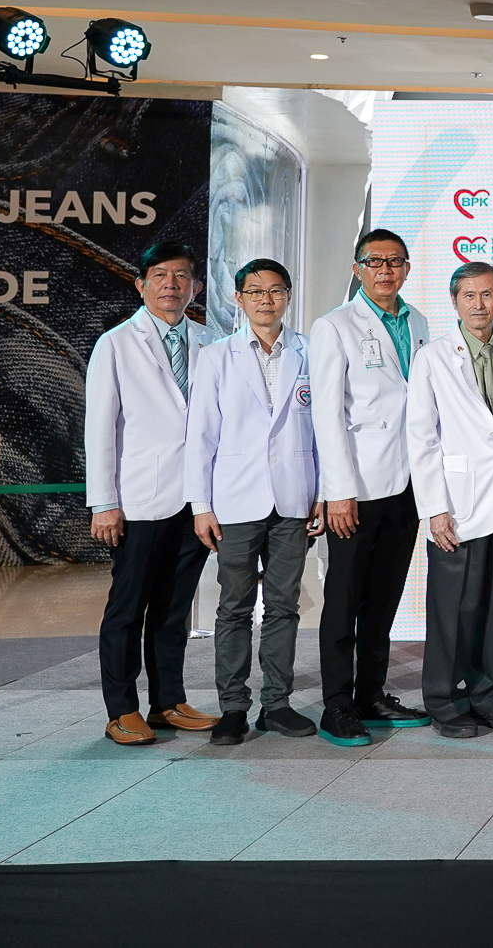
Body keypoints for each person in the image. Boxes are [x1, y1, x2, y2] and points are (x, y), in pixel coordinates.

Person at [85, 242, 222, 745]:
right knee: (128, 608)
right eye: (160, 275)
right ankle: (121, 710)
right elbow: (100, 429)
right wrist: (104, 502)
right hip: (139, 499)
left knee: (174, 607)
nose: (171, 284)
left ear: (196, 287)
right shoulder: (116, 344)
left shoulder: (211, 342)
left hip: (196, 501)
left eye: (181, 276)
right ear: (141, 284)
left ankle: (168, 702)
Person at [183, 258, 321, 746]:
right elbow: (200, 435)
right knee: (234, 608)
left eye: (276, 290)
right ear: (239, 299)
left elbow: (325, 429)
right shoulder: (216, 357)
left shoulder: (311, 351)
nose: (266, 299)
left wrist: (324, 492)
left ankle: (277, 705)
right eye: (255, 291)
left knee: (284, 606)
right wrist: (200, 505)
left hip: (294, 499)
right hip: (235, 501)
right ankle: (233, 708)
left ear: (288, 296)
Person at [309, 228, 433, 746]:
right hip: (356, 487)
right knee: (344, 598)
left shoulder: (418, 321)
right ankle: (337, 705)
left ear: (406, 268)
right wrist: (338, 490)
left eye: (395, 261)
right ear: (357, 267)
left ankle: (371, 694)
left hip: (407, 484)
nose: (385, 270)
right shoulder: (333, 326)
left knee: (384, 598)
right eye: (374, 261)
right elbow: (326, 414)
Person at [406, 261, 493, 738]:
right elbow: (422, 438)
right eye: (469, 296)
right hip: (456, 504)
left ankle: (489, 697)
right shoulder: (432, 357)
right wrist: (434, 508)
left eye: (487, 294)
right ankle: (445, 701)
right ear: (455, 301)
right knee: (452, 610)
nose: (479, 304)